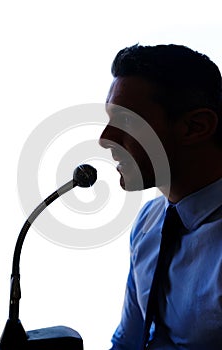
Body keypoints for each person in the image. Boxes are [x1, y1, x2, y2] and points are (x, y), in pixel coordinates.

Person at [99, 44, 222, 349]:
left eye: (127, 122)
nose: (105, 139)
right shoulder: (149, 221)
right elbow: (128, 341)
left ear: (196, 127)